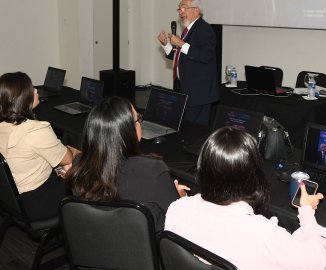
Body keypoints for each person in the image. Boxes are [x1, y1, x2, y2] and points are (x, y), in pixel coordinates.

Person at [165, 127, 326, 270]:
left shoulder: (176, 209)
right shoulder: (264, 235)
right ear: (253, 176)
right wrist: (307, 214)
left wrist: (184, 201)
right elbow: (318, 263)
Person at [66, 96, 188, 233]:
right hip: (148, 250)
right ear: (128, 131)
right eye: (138, 119)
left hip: (95, 247)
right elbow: (179, 219)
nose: (140, 123)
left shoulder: (79, 167)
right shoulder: (152, 171)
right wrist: (181, 199)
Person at [0, 72, 79, 221]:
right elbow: (67, 158)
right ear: (23, 99)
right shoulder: (35, 130)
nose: (36, 90)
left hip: (10, 199)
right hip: (37, 203)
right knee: (82, 165)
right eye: (31, 89)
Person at [157, 0, 219, 125]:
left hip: (199, 93)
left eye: (183, 8)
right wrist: (166, 45)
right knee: (187, 128)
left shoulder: (203, 28)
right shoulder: (187, 30)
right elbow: (180, 57)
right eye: (179, 9)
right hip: (186, 89)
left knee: (196, 131)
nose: (180, 12)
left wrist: (181, 43)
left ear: (196, 10)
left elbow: (206, 55)